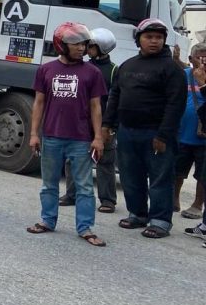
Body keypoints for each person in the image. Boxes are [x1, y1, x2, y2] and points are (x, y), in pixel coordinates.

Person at [102, 18, 186, 239]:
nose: (154, 41)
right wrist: (107, 124)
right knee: (131, 175)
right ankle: (137, 214)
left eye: (159, 38)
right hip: (127, 131)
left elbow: (175, 104)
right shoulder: (127, 66)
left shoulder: (171, 69)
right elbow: (115, 96)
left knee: (159, 178)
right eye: (149, 37)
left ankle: (160, 220)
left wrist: (163, 135)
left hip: (156, 134)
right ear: (139, 39)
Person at [26, 22, 107, 247]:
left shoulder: (93, 72)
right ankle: (47, 221)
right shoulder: (46, 70)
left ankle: (85, 228)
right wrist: (34, 134)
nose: (81, 48)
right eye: (75, 44)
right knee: (48, 184)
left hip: (81, 139)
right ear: (62, 45)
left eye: (83, 44)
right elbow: (39, 103)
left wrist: (98, 137)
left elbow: (95, 107)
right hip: (51, 136)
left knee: (84, 186)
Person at [59, 27, 119, 213]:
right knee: (72, 159)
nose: (85, 48)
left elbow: (115, 100)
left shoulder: (113, 71)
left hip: (102, 124)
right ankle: (72, 194)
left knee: (105, 161)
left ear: (101, 48)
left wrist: (108, 126)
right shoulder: (82, 66)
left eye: (90, 45)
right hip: (81, 123)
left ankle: (107, 200)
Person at [174, 43, 206, 219]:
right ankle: (174, 199)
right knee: (177, 170)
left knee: (202, 174)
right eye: (200, 57)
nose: (203, 60)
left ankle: (197, 205)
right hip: (182, 134)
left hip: (203, 138)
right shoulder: (183, 76)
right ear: (191, 59)